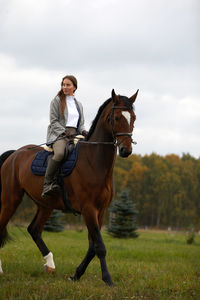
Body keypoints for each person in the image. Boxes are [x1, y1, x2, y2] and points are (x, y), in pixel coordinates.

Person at [41, 75, 87, 198]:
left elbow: (80, 125)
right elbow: (54, 121)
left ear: (74, 87)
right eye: (63, 85)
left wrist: (84, 132)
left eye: (68, 85)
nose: (64, 87)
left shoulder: (79, 104)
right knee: (60, 153)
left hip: (75, 134)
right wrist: (64, 132)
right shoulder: (56, 101)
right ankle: (47, 184)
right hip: (58, 134)